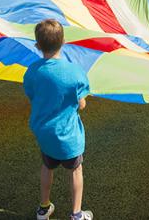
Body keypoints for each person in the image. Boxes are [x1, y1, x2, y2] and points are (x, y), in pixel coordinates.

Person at [23, 19, 93, 220]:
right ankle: (76, 214)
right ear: (64, 41)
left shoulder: (33, 71)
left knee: (47, 166)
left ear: (37, 45)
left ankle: (44, 208)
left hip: (44, 133)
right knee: (75, 170)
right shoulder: (74, 72)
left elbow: (32, 94)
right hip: (68, 135)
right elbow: (81, 104)